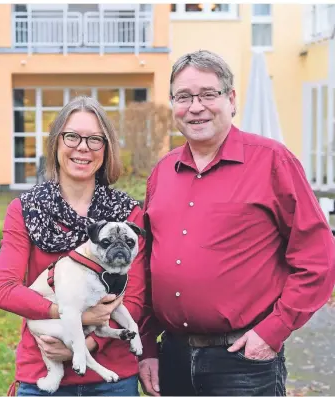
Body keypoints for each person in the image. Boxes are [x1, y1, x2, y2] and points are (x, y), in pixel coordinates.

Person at [138, 50, 335, 396]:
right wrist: (147, 347)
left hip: (243, 361)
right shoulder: (162, 173)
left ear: (231, 100)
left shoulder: (273, 162)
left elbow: (318, 258)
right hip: (173, 359)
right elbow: (148, 269)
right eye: (183, 97)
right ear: (173, 105)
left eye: (208, 94)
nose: (195, 106)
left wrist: (273, 331)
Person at [0, 96, 146, 396]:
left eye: (95, 139)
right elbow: (4, 290)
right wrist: (66, 315)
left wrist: (85, 344)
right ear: (56, 142)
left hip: (111, 376)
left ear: (107, 148)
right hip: (42, 371)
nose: (82, 147)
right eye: (72, 136)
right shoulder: (25, 209)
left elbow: (136, 299)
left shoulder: (127, 214)